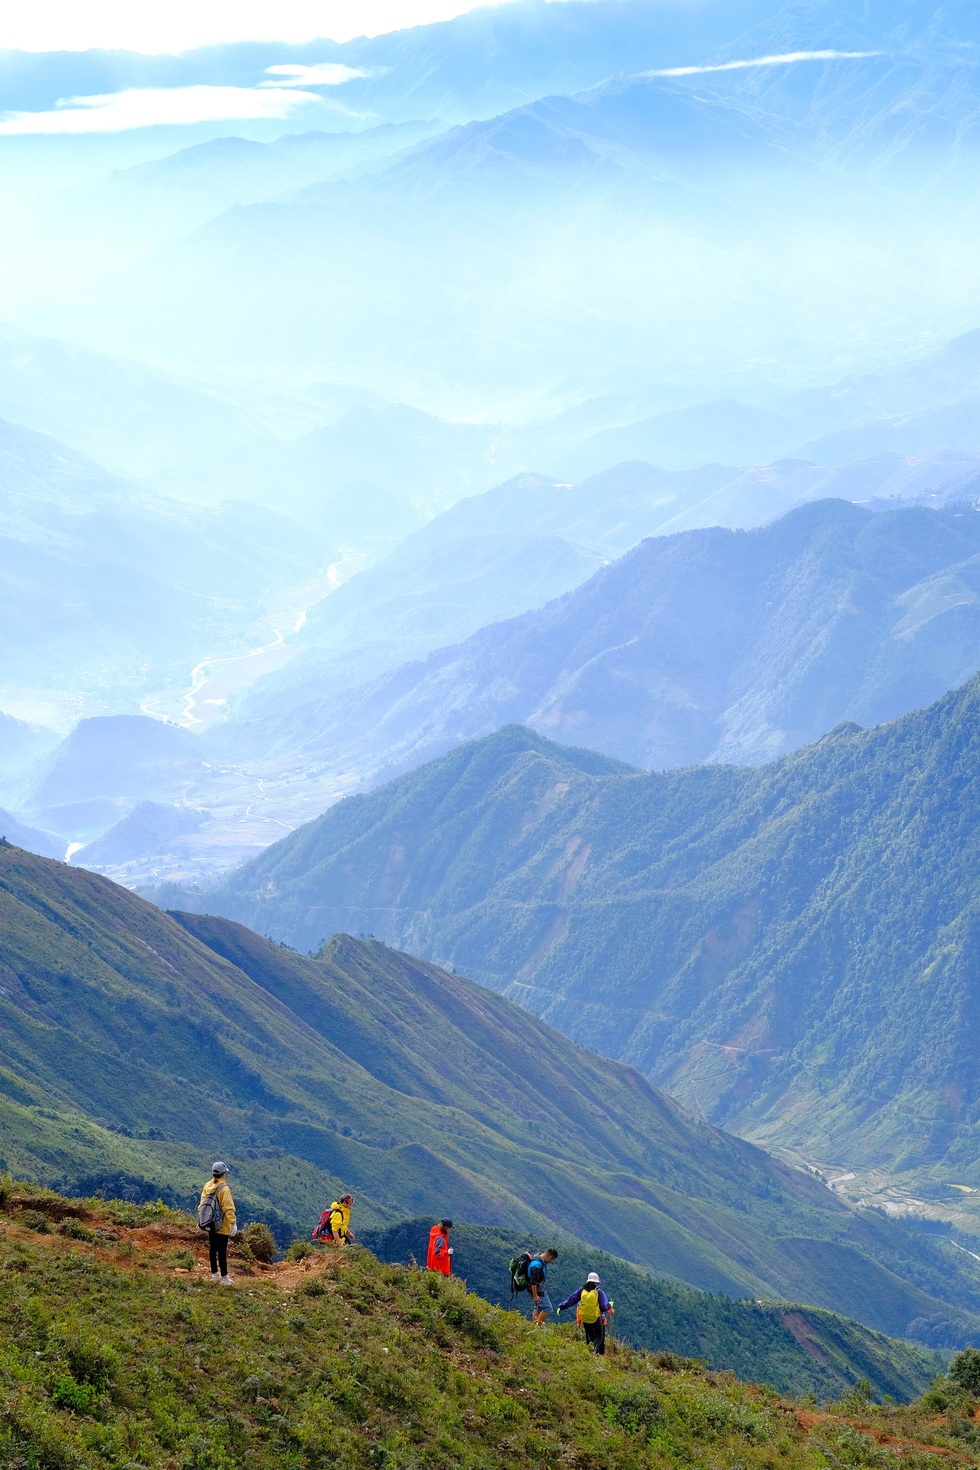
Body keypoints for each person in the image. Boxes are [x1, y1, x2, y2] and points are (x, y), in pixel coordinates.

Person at [557, 1271, 614, 1354]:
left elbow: (571, 1300)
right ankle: (595, 1353)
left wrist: (561, 1306)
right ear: (597, 1282)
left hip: (584, 1318)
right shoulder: (599, 1292)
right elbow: (603, 1307)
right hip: (596, 1318)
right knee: (599, 1336)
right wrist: (610, 1305)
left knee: (590, 1337)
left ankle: (589, 1354)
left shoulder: (582, 1290)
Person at [199, 1161, 237, 1284]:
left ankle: (215, 1274)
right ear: (224, 1174)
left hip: (209, 1222)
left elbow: (202, 1205)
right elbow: (228, 1208)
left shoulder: (207, 1186)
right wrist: (233, 1223)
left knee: (212, 1248)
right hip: (222, 1224)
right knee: (222, 1251)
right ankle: (225, 1277)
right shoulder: (224, 1189)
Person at [528, 1247, 558, 1325]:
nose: (551, 1261)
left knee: (538, 1307)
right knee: (547, 1307)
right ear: (550, 1257)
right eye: (552, 1260)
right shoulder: (537, 1264)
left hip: (538, 1288)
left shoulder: (538, 1259)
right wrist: (535, 1295)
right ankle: (538, 1327)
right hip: (537, 1289)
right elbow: (533, 1281)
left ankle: (534, 1326)